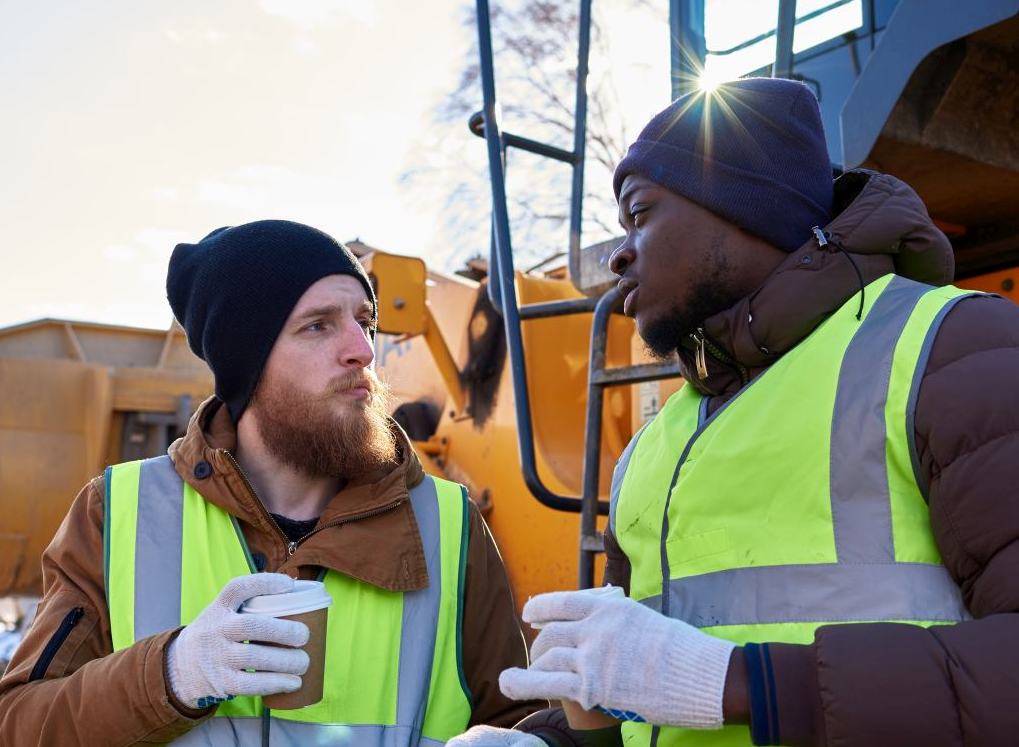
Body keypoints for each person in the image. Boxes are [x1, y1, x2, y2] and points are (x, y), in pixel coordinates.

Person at [476, 78, 1019, 746]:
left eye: (639, 214)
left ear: (744, 210)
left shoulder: (950, 347)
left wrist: (741, 682)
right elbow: (634, 694)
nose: (617, 255)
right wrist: (552, 740)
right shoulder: (651, 448)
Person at [0, 220, 542, 745]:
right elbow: (20, 724)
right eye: (318, 325)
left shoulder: (447, 521)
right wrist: (172, 675)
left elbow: (515, 716)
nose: (363, 350)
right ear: (247, 361)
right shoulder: (118, 512)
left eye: (364, 321)